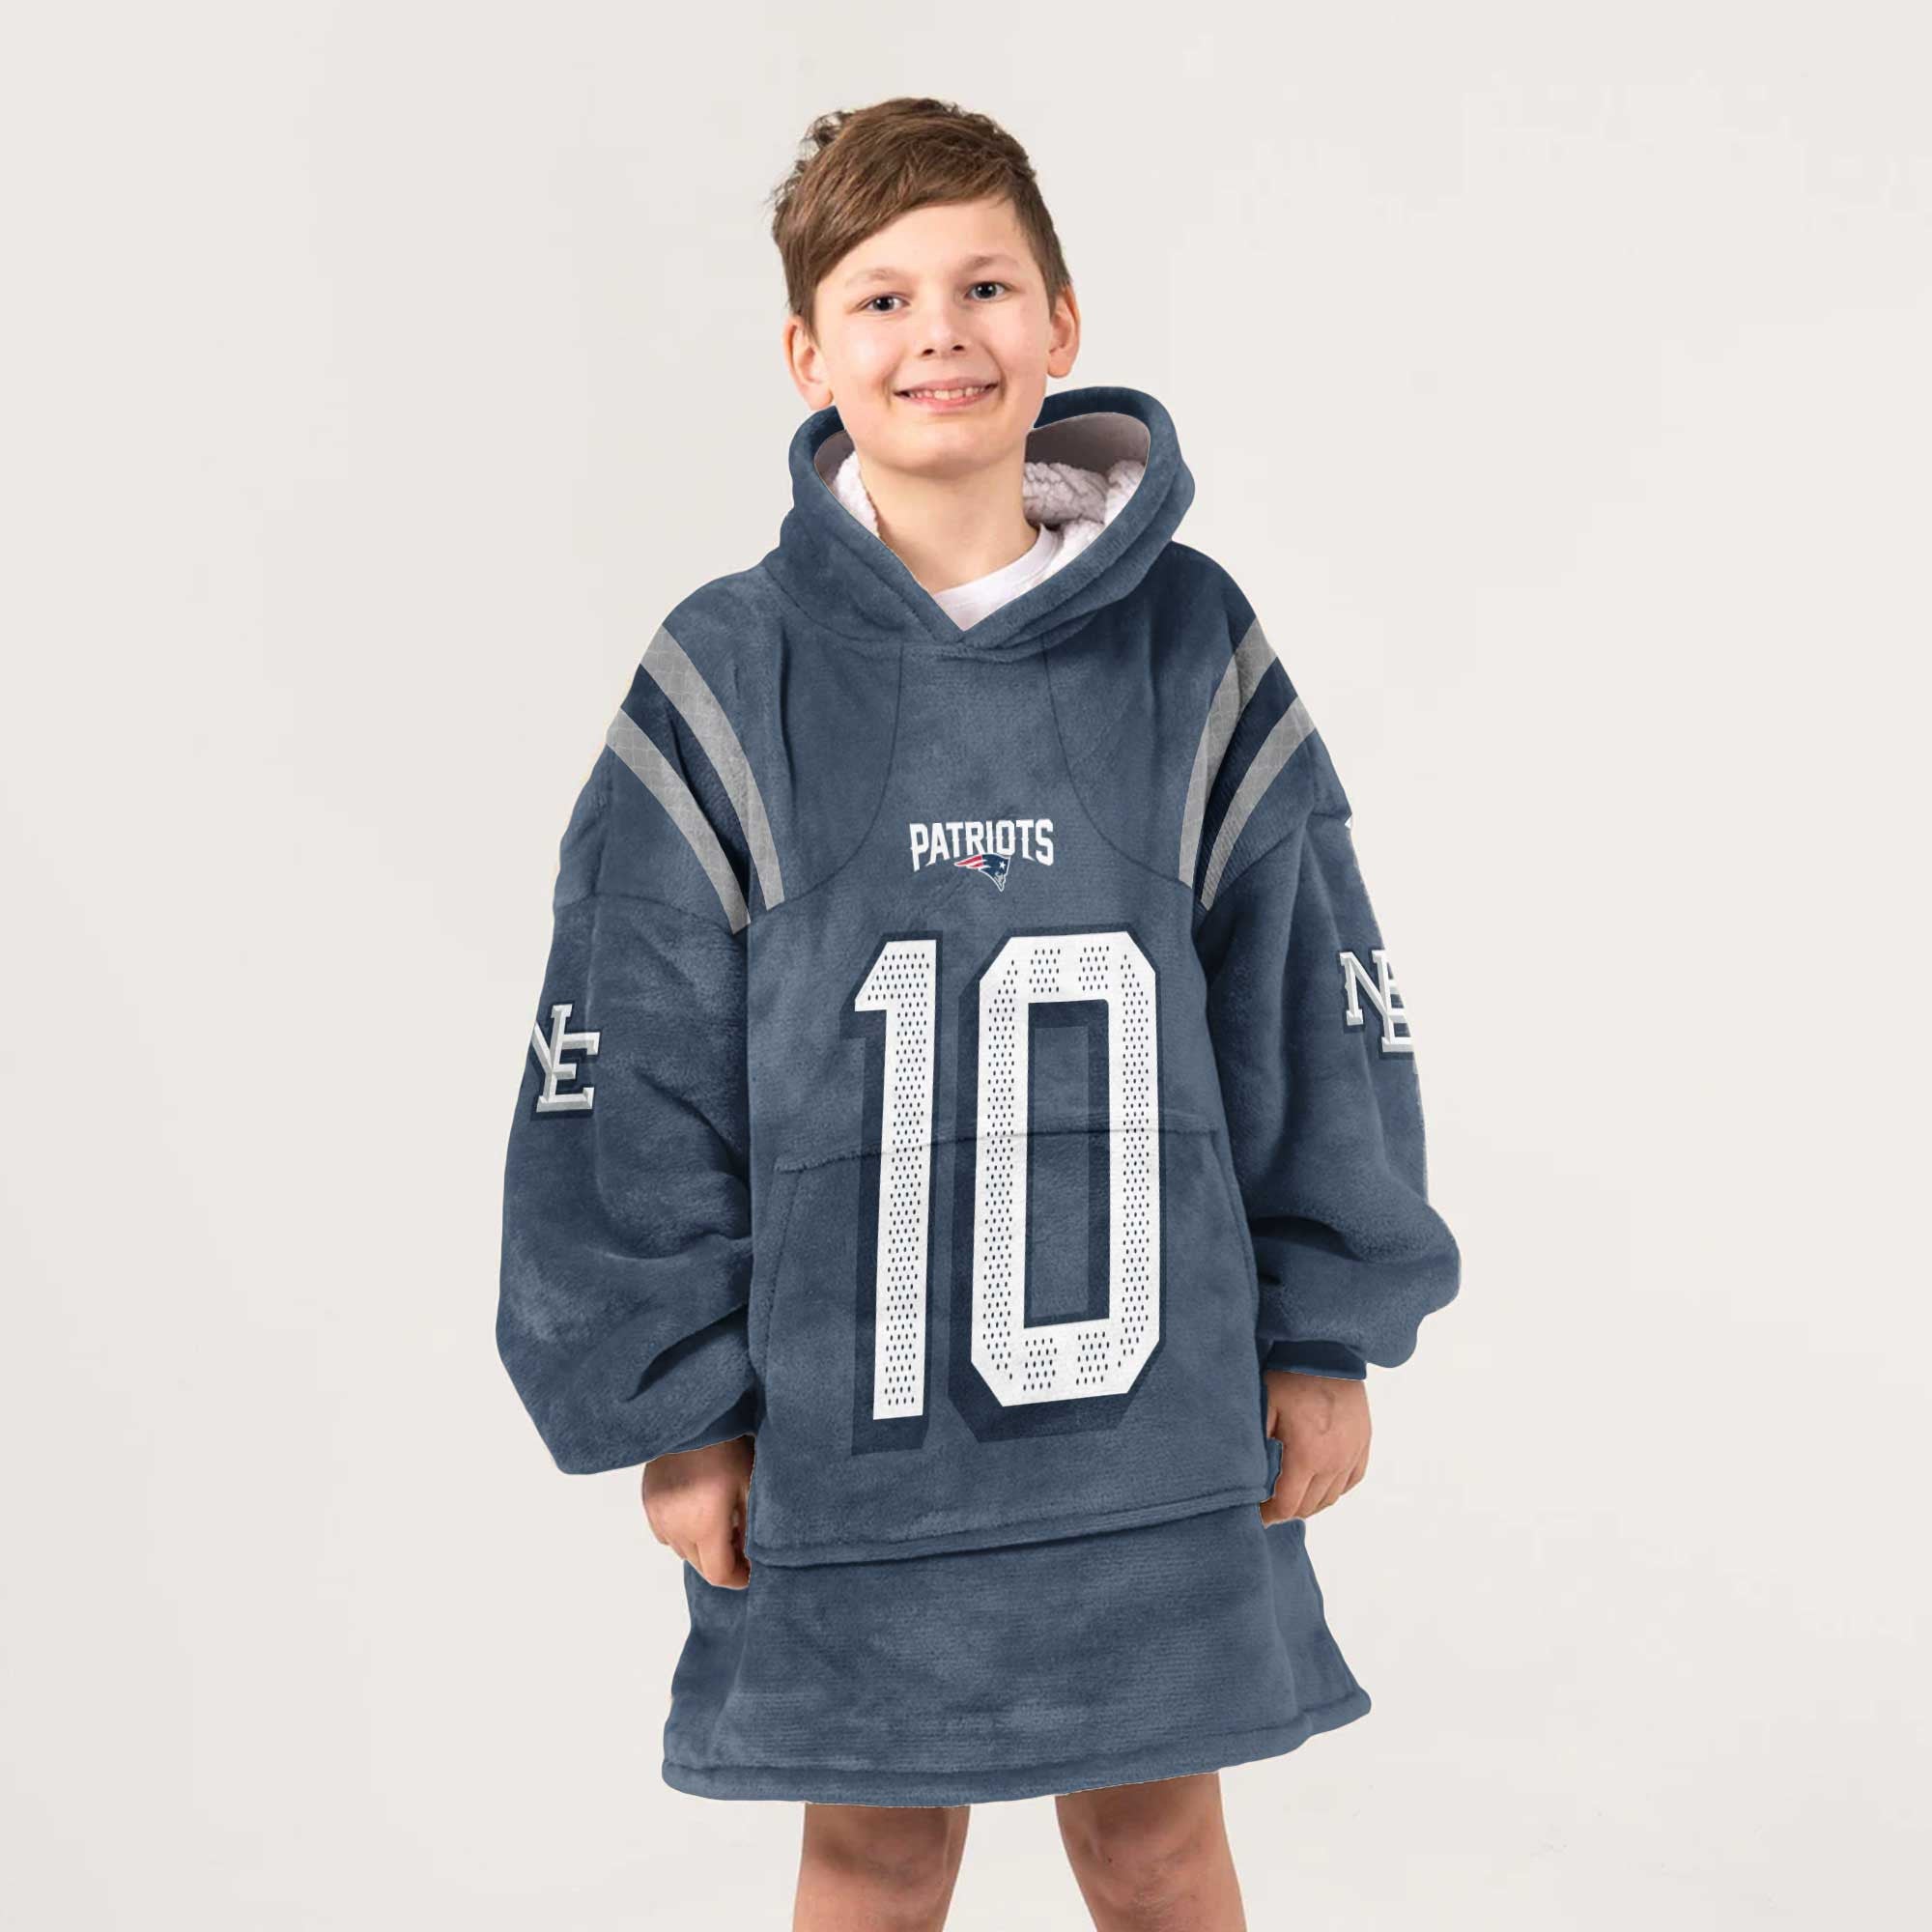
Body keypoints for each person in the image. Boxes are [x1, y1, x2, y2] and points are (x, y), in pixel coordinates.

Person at [497, 95, 1460, 1930]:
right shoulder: (729, 671)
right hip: (845, 1442)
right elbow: (633, 1061)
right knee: (874, 1854)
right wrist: (679, 1406)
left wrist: (1328, 1325)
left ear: (1062, 323)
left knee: (1156, 1845)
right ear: (808, 355)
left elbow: (1307, 1002)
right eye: (882, 299)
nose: (938, 332)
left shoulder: (1190, 642)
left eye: (985, 286)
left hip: (1156, 1431)